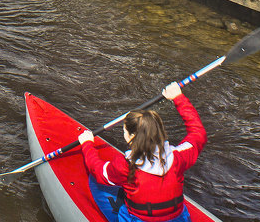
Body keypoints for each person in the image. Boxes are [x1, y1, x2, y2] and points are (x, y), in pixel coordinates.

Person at [76, 82, 206, 222]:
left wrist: (87, 144)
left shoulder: (124, 165)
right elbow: (199, 134)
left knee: (94, 180)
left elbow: (99, 171)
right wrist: (178, 98)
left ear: (131, 136)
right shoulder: (179, 156)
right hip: (177, 218)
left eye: (124, 131)